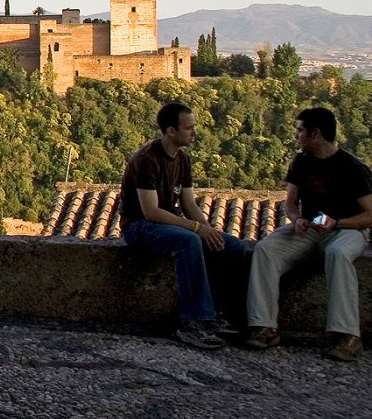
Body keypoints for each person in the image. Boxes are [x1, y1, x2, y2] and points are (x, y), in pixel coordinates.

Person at [247, 107, 372, 362]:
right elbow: (291, 203)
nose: (296, 136)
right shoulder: (301, 162)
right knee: (265, 249)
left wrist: (337, 223)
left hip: (346, 229)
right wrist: (297, 219)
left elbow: (370, 214)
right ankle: (265, 327)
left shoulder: (353, 168)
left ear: (316, 134)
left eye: (300, 130)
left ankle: (348, 335)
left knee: (338, 254)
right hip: (310, 228)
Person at [119, 103, 247, 350]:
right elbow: (151, 212)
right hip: (140, 226)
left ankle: (217, 314)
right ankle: (194, 321)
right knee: (188, 241)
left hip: (169, 223)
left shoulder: (183, 159)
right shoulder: (146, 160)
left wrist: (209, 230)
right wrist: (197, 231)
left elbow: (189, 205)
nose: (194, 133)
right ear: (170, 131)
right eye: (189, 128)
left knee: (233, 247)